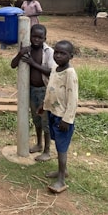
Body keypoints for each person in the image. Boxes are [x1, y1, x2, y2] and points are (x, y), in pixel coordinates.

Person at [38, 40, 78, 194]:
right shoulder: (55, 69)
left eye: (63, 53)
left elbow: (73, 99)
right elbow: (51, 89)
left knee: (62, 148)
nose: (58, 56)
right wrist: (44, 105)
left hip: (63, 119)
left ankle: (61, 180)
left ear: (71, 56)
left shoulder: (70, 74)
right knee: (59, 145)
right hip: (53, 114)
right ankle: (63, 171)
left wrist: (67, 119)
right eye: (57, 52)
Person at [11, 24, 55, 161]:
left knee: (46, 121)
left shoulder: (48, 52)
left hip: (44, 91)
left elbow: (51, 71)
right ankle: (39, 144)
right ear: (30, 36)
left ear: (45, 38)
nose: (36, 40)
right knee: (36, 119)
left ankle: (47, 150)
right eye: (34, 36)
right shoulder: (27, 50)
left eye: (39, 37)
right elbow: (13, 65)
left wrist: (32, 63)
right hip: (30, 90)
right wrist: (20, 53)